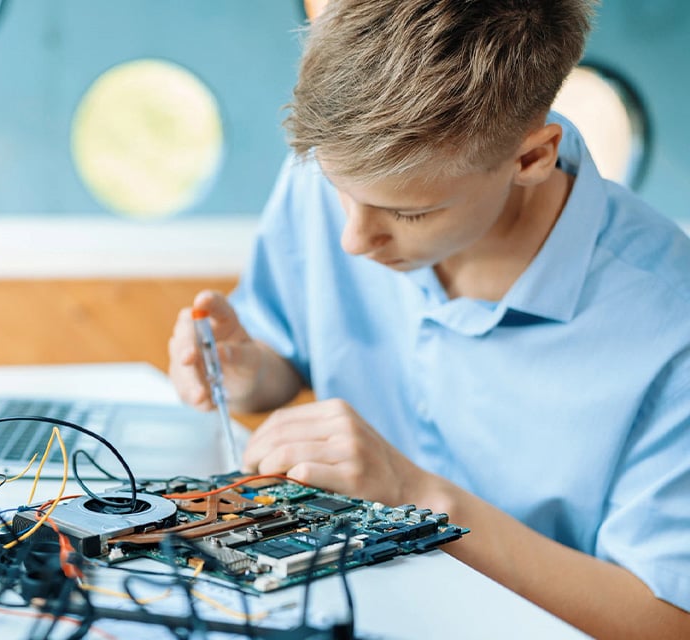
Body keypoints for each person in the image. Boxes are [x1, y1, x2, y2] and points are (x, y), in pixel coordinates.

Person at [166, 1, 690, 637]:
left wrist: (415, 496)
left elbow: (666, 621)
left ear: (531, 158)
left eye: (408, 214)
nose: (353, 240)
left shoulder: (672, 325)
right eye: (337, 191)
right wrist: (250, 372)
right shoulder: (353, 165)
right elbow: (287, 354)